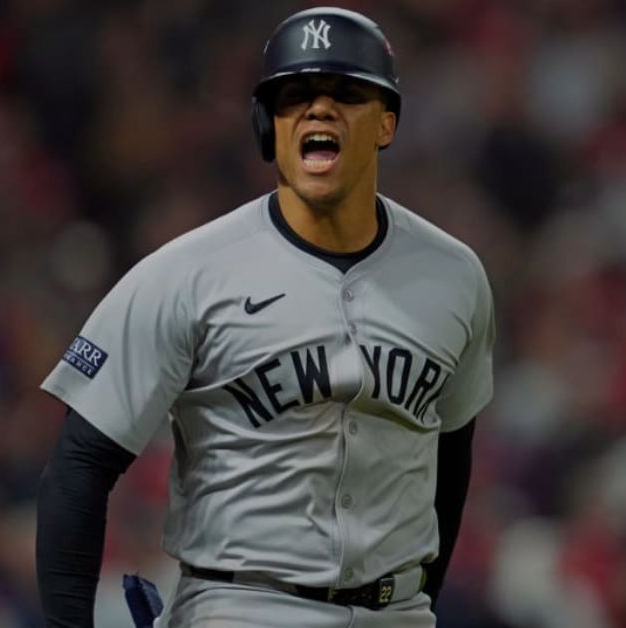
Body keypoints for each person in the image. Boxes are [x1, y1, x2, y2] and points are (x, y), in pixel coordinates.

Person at [35, 7, 495, 627]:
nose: (319, 109)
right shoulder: (188, 273)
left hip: (401, 612)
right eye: (295, 95)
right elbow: (78, 468)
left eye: (346, 94)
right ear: (267, 125)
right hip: (242, 606)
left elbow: (451, 452)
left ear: (387, 123)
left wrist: (416, 601)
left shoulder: (454, 275)